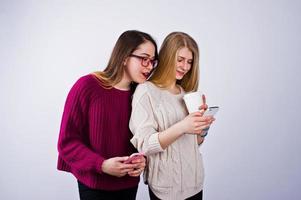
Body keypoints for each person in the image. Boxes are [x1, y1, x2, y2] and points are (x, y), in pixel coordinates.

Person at [57, 30, 158, 200]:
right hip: (93, 185)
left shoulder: (142, 95)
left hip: (128, 185)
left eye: (152, 61)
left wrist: (142, 160)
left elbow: (146, 138)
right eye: (144, 59)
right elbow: (67, 142)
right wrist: (102, 165)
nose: (149, 66)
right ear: (124, 57)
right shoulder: (87, 86)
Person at [129, 32, 215, 200]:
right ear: (168, 57)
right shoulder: (146, 91)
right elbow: (144, 145)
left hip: (195, 184)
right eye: (180, 60)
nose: (185, 67)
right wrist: (183, 126)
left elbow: (194, 143)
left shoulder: (186, 94)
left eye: (190, 62)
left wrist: (202, 127)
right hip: (165, 189)